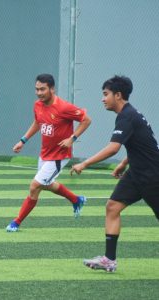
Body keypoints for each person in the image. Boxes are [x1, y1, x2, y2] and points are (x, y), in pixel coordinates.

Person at [71, 75, 159, 272]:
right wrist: (124, 163)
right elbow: (141, 143)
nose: (103, 99)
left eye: (105, 94)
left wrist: (84, 163)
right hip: (136, 173)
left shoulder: (128, 116)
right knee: (112, 207)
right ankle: (109, 260)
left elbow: (113, 148)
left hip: (153, 176)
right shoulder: (129, 115)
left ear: (118, 95)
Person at [6, 73, 91, 232]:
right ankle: (76, 200)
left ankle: (16, 222)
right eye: (37, 89)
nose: (39, 93)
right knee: (46, 185)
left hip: (59, 156)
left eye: (42, 89)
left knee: (35, 186)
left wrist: (72, 138)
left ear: (52, 89)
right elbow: (38, 122)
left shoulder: (64, 107)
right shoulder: (38, 105)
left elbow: (87, 120)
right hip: (45, 154)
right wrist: (23, 140)